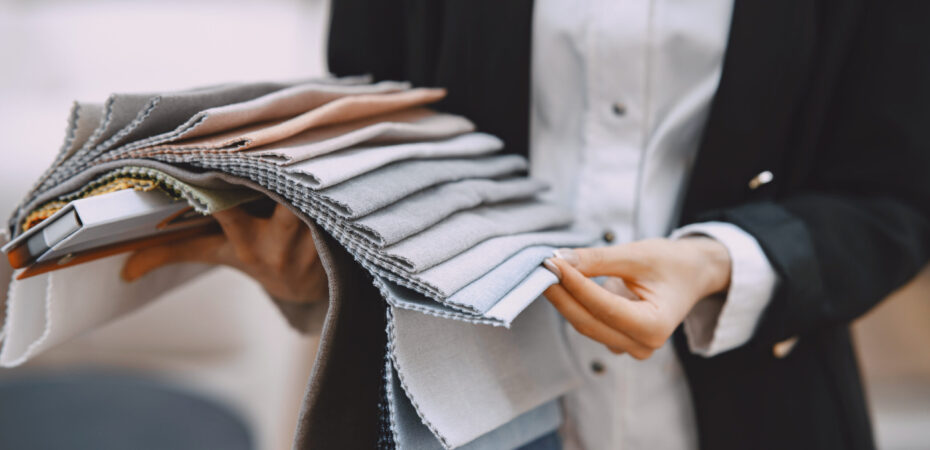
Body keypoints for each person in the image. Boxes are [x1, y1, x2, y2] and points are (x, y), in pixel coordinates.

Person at [124, 0, 930, 448]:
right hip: (453, 416)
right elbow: (374, 144)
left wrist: (723, 263)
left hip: (767, 414)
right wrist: (324, 270)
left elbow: (894, 197)